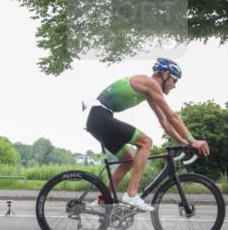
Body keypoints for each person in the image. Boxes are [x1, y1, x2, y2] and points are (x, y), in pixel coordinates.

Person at [84, 58, 210, 212]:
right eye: (174, 81)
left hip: (98, 119)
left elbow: (164, 121)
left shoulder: (149, 91)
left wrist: (184, 142)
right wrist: (193, 140)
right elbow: (172, 116)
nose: (174, 86)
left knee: (127, 161)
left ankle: (101, 202)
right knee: (146, 142)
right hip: (100, 117)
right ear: (165, 74)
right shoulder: (149, 83)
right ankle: (131, 195)